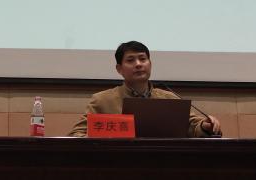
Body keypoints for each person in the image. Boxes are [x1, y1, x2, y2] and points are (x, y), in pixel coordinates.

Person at [69, 40, 221, 137]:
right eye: (130, 60)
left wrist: (204, 126)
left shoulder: (169, 98)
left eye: (143, 59)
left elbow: (193, 125)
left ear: (150, 64)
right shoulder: (102, 100)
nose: (138, 64)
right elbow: (77, 135)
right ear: (119, 69)